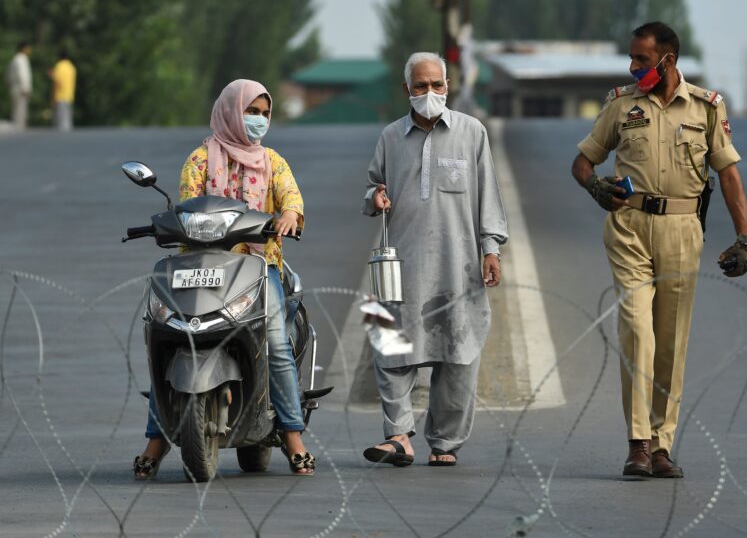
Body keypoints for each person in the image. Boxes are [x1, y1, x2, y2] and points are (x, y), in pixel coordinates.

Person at [572, 22, 747, 478]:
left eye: (642, 60)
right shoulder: (621, 104)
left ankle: (661, 444)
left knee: (671, 338)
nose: (634, 68)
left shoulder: (707, 107)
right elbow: (583, 161)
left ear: (668, 60)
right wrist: (595, 187)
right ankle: (637, 443)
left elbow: (728, 174)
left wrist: (743, 238)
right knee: (637, 328)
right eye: (631, 59)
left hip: (682, 228)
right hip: (629, 226)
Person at [133, 79, 316, 479]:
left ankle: (292, 434)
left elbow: (291, 198)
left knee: (277, 345)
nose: (259, 120)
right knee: (170, 336)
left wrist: (288, 215)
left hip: (254, 266)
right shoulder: (200, 158)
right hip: (199, 267)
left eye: (265, 113)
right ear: (231, 110)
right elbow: (186, 205)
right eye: (251, 111)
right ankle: (156, 438)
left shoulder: (272, 161)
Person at [361, 52, 508, 467]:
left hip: (458, 264)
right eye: (420, 86)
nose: (429, 93)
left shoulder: (472, 132)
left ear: (448, 86)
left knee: (458, 352)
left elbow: (488, 197)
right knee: (391, 347)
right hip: (401, 264)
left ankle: (445, 441)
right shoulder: (391, 137)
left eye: (437, 85)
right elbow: (372, 186)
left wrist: (491, 249)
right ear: (407, 90)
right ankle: (398, 436)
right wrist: (375, 196)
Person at [6, 41, 32, 130]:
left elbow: (9, 74)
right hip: (20, 89)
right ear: (24, 48)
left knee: (17, 109)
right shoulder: (21, 59)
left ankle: (17, 127)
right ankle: (19, 128)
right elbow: (22, 75)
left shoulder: (16, 59)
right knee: (20, 110)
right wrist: (25, 88)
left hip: (15, 88)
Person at [50, 49, 76, 131]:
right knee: (67, 121)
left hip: (60, 96)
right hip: (69, 96)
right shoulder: (72, 67)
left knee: (60, 122)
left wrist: (53, 96)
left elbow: (57, 83)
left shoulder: (59, 66)